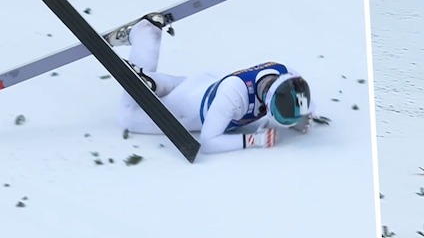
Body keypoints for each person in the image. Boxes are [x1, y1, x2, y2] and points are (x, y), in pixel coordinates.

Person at [106, 13, 326, 155]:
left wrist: (301, 118)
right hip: (193, 109)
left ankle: (147, 40)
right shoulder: (235, 95)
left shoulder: (285, 73)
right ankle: (145, 41)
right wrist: (253, 140)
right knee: (128, 117)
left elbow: (301, 98)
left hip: (205, 86)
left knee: (170, 88)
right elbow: (209, 142)